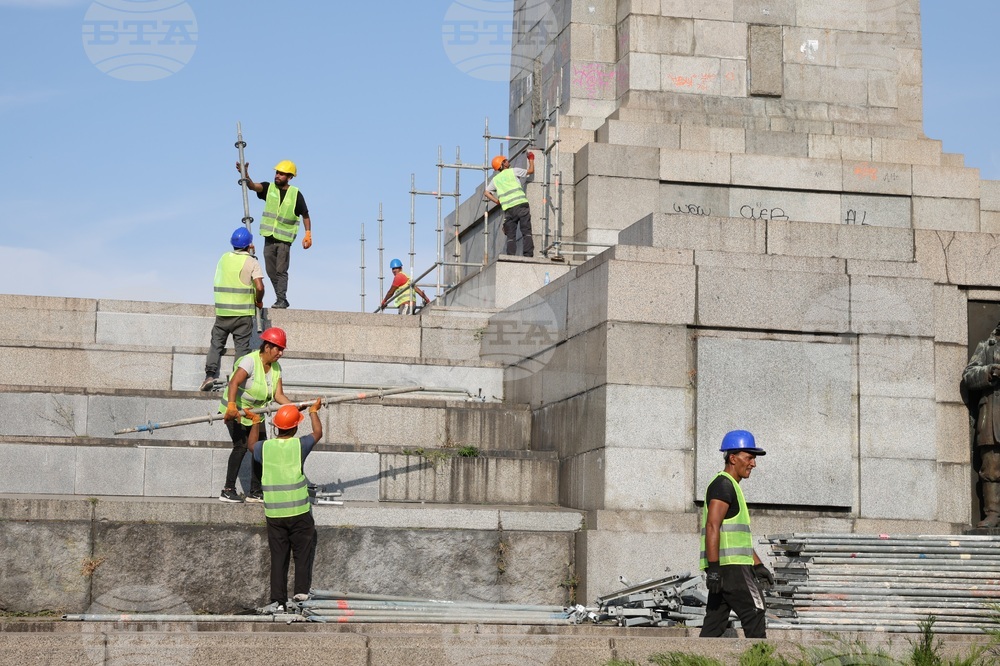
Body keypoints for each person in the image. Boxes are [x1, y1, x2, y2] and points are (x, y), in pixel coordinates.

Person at [246, 399, 323, 613]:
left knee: (278, 557)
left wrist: (255, 421)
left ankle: (278, 601)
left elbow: (250, 445)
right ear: (296, 427)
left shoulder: (265, 447)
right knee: (302, 556)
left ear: (277, 428)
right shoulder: (299, 445)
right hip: (299, 513)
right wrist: (314, 412)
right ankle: (300, 597)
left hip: (275, 514)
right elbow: (317, 433)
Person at [699, 430, 774, 639]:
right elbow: (712, 526)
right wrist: (714, 569)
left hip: (728, 566)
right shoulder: (723, 485)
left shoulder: (730, 486)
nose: (753, 463)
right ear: (733, 458)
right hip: (731, 568)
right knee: (756, 610)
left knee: (714, 623)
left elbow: (736, 537)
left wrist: (757, 565)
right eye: (749, 457)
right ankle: (759, 660)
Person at [218, 326, 292, 503]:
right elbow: (234, 383)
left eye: (282, 349)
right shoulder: (250, 361)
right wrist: (231, 406)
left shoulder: (276, 367)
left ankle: (255, 491)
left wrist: (293, 407)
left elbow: (278, 395)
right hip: (236, 411)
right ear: (267, 347)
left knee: (261, 449)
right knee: (241, 446)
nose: (280, 353)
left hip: (256, 415)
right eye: (278, 349)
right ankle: (228, 490)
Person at [236, 160, 312, 309]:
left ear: (289, 177)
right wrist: (245, 174)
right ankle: (281, 298)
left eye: (281, 173)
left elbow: (305, 214)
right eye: (277, 172)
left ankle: (281, 299)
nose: (277, 175)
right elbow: (252, 186)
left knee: (281, 271)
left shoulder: (295, 194)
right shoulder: (269, 188)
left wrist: (308, 233)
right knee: (271, 272)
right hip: (269, 238)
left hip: (284, 240)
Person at [200, 227, 265, 392]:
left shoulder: (223, 258)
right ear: (249, 244)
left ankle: (209, 375)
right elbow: (259, 286)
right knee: (242, 348)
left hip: (222, 313)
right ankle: (237, 382)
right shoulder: (252, 262)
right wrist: (258, 301)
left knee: (216, 344)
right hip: (242, 314)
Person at [962, 324, 1000, 527]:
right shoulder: (987, 347)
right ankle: (993, 513)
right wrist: (990, 371)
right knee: (991, 466)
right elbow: (969, 375)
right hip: (993, 412)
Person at [484, 152, 535, 257]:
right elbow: (531, 171)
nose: (508, 161)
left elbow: (486, 193)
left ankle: (511, 256)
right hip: (521, 205)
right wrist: (531, 159)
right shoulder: (513, 171)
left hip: (508, 210)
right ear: (502, 165)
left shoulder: (495, 180)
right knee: (526, 231)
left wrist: (497, 201)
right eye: (505, 160)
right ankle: (528, 255)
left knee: (511, 236)